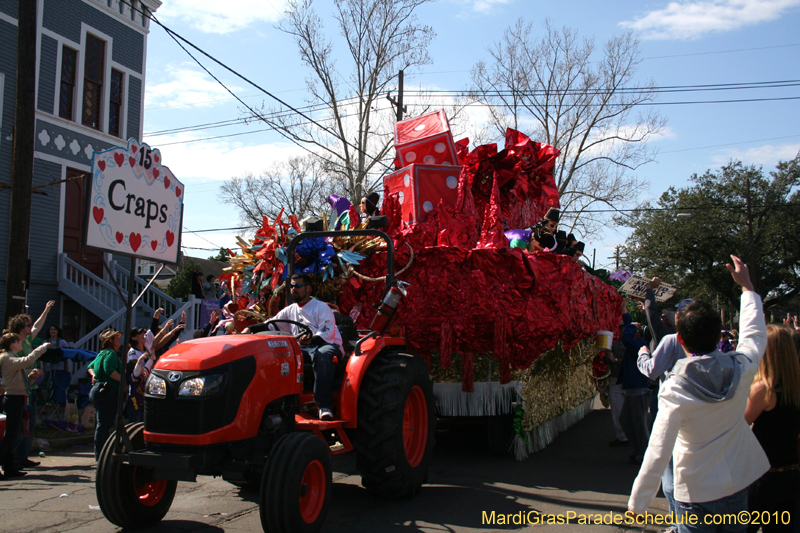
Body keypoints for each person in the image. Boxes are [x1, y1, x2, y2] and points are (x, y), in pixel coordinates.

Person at [628, 256, 769, 533]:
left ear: (679, 339)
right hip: (737, 482)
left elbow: (658, 450)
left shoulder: (674, 389)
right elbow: (755, 335)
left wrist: (639, 503)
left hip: (694, 490)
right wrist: (747, 288)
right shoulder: (742, 368)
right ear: (719, 336)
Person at [743, 325, 800, 533]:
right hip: (791, 473)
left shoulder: (764, 389)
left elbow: (740, 422)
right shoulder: (794, 386)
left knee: (744, 528)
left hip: (763, 475)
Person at [271, 273, 342, 420]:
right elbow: (272, 324)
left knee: (322, 354)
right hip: (303, 347)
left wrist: (311, 340)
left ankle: (323, 405)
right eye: (291, 286)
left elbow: (328, 332)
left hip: (327, 344)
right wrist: (250, 330)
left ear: (308, 289)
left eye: (297, 286)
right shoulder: (290, 310)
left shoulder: (321, 307)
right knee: (282, 355)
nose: (293, 289)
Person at [7, 301, 55, 469]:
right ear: (21, 327)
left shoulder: (26, 341)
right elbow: (17, 366)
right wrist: (31, 372)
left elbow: (37, 325)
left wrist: (46, 310)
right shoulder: (14, 344)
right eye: (27, 325)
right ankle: (11, 459)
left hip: (31, 388)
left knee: (29, 426)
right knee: (18, 428)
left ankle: (22, 457)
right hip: (20, 389)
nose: (30, 327)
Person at [0, 333, 50, 479]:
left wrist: (32, 377)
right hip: (12, 399)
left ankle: (9, 468)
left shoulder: (12, 358)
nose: (21, 343)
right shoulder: (7, 358)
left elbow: (20, 382)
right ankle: (6, 464)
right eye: (18, 341)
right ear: (12, 344)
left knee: (13, 434)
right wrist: (41, 348)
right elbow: (27, 361)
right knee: (10, 435)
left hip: (18, 397)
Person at [619, 300, 650, 465]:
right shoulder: (637, 344)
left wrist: (628, 319)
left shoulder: (640, 344)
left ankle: (644, 454)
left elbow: (626, 339)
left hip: (638, 389)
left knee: (640, 424)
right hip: (632, 389)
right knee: (626, 420)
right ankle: (639, 450)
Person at [87, 329, 123, 461]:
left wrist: (94, 375)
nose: (119, 340)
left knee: (102, 424)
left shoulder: (101, 354)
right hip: (107, 392)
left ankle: (101, 453)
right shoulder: (111, 354)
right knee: (104, 425)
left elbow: (90, 367)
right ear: (110, 341)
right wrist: (123, 381)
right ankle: (102, 455)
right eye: (117, 338)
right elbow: (109, 370)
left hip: (97, 390)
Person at [607, 323, 629, 447]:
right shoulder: (615, 344)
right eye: (620, 328)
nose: (621, 330)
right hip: (616, 379)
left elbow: (631, 360)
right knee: (617, 410)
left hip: (629, 380)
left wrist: (615, 359)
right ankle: (622, 436)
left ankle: (633, 436)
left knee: (633, 411)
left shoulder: (634, 344)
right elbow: (609, 362)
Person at [126, 350, 155, 424]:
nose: (142, 367)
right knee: (134, 423)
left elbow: (148, 364)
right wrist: (139, 360)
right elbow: (136, 371)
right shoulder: (134, 378)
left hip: (142, 404)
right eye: (141, 365)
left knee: (142, 423)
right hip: (135, 405)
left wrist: (152, 355)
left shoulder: (143, 374)